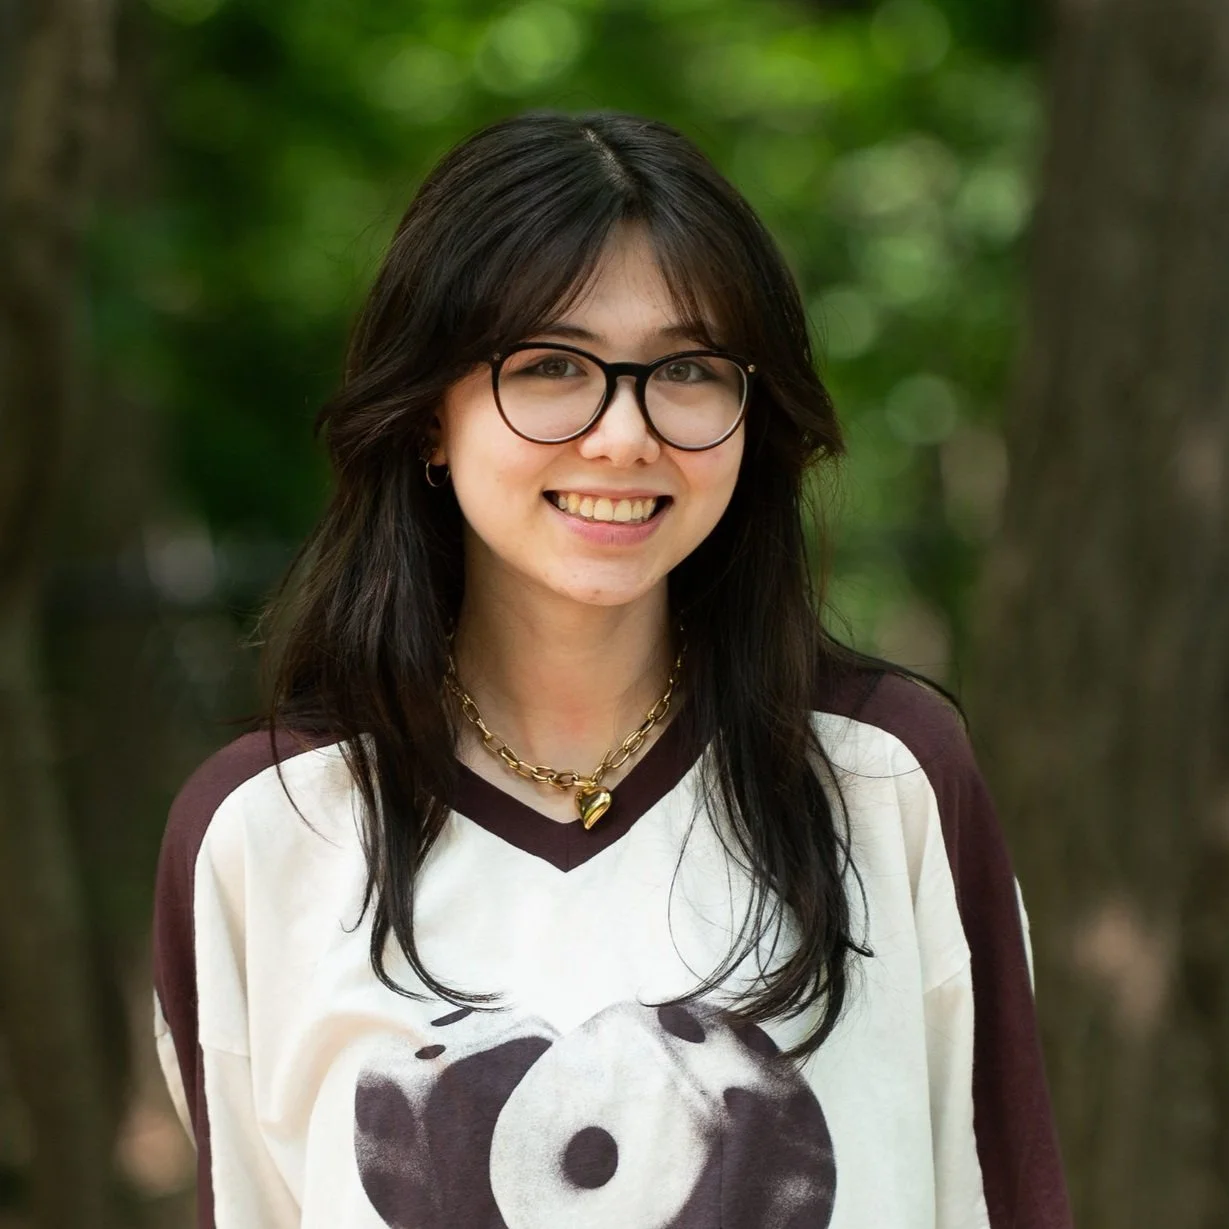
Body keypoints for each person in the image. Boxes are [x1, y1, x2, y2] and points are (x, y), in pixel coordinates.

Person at [151, 109, 1072, 1229]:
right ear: (429, 415)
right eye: (549, 365)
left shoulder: (884, 780)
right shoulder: (267, 832)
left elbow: (998, 1193)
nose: (623, 434)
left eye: (684, 367)